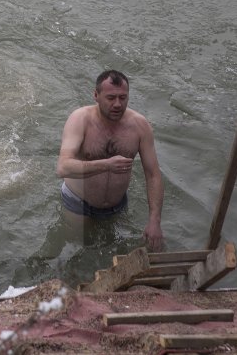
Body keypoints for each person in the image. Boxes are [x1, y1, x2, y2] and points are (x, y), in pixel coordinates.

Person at [56, 70, 164, 251]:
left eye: (123, 98)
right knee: (78, 250)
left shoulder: (140, 126)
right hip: (78, 203)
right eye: (111, 97)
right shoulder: (80, 120)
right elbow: (63, 167)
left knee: (111, 250)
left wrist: (154, 220)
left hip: (117, 205)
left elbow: (153, 175)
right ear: (96, 95)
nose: (117, 104)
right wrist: (106, 165)